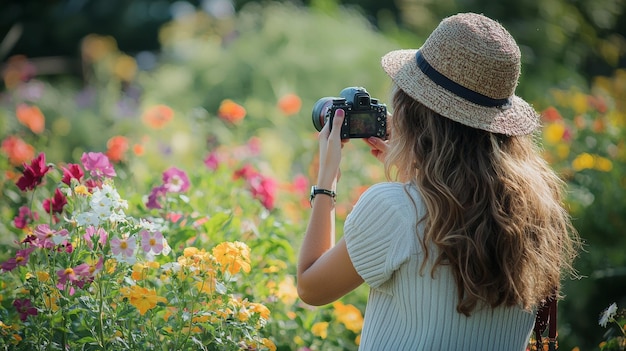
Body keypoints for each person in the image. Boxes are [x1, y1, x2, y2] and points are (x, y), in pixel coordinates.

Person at [296, 12, 580, 350]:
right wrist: (420, 171)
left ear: (414, 113)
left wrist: (326, 183)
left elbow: (310, 287)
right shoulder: (538, 215)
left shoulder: (393, 209)